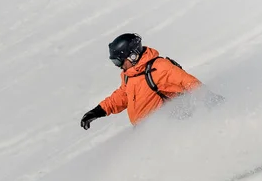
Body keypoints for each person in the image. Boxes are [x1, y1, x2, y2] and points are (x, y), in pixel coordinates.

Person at [81, 33, 224, 130]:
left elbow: (186, 81)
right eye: (114, 61)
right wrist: (97, 112)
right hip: (146, 133)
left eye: (118, 61)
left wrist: (208, 97)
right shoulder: (128, 75)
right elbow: (122, 96)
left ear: (132, 56)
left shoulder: (158, 67)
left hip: (172, 127)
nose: (118, 66)